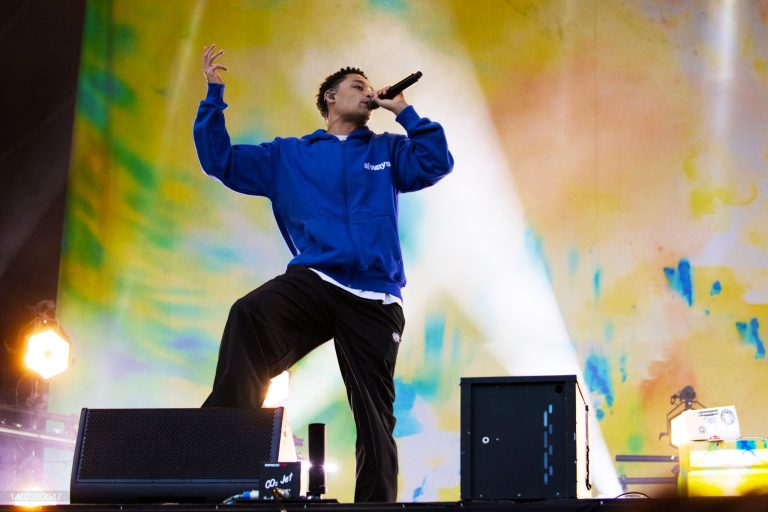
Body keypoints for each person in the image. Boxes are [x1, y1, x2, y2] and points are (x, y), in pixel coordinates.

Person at [193, 44, 453, 502]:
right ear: (330, 98)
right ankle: (220, 461)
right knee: (249, 315)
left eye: (373, 88)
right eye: (358, 87)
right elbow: (221, 161)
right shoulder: (288, 156)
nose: (369, 93)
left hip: (375, 296)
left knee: (375, 414)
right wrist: (214, 95)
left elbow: (435, 162)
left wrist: (405, 112)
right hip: (317, 279)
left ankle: (375, 506)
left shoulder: (388, 149)